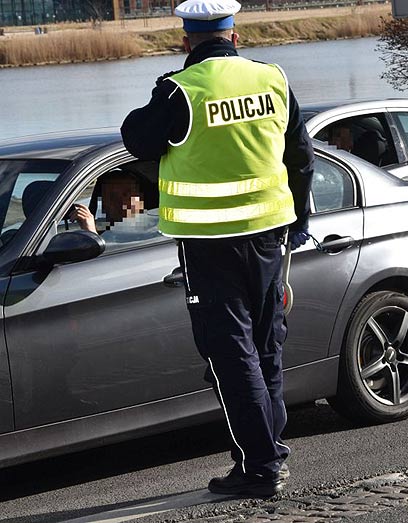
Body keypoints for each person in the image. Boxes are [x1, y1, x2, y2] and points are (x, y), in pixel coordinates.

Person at [120, 0, 314, 498]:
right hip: (271, 236)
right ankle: (270, 450)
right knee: (266, 348)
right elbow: (302, 157)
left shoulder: (180, 90)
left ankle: (260, 466)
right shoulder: (272, 78)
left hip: (211, 247)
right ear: (235, 35)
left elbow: (136, 139)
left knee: (231, 355)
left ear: (187, 40)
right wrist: (300, 222)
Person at [70, 170, 158, 243]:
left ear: (140, 197)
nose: (121, 202)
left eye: (127, 194)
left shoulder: (156, 232)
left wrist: (92, 235)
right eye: (113, 197)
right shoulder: (106, 231)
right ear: (104, 203)